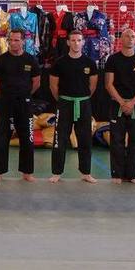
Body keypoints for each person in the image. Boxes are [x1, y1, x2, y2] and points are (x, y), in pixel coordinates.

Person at [0, 29, 41, 183]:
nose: (13, 43)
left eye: (17, 40)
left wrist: (25, 95)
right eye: (11, 40)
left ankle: (27, 172)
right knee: (2, 138)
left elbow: (36, 82)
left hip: (25, 104)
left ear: (23, 41)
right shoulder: (1, 60)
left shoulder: (31, 60)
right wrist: (5, 97)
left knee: (27, 139)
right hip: (6, 103)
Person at [49, 30, 98, 184]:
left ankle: (86, 172)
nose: (76, 43)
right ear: (68, 42)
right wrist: (63, 100)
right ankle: (57, 172)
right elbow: (53, 86)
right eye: (73, 40)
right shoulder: (60, 63)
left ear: (83, 42)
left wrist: (81, 98)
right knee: (60, 139)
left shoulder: (89, 63)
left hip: (83, 103)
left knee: (85, 139)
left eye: (79, 40)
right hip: (65, 103)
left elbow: (92, 86)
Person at [105, 29, 135, 184]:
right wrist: (122, 102)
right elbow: (109, 84)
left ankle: (132, 175)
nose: (130, 39)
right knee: (116, 139)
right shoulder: (113, 59)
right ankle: (117, 174)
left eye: (133, 36)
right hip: (117, 103)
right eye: (127, 36)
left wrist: (132, 102)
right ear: (121, 39)